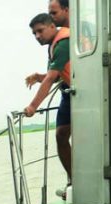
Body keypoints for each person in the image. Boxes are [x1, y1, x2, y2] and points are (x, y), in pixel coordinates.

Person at [24, 3, 72, 181]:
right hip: (69, 90)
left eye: (40, 31)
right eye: (34, 33)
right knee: (61, 135)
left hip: (84, 91)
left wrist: (32, 107)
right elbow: (56, 74)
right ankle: (73, 179)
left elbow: (51, 78)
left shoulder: (63, 43)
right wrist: (39, 77)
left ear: (52, 25)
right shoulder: (53, 45)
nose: (37, 36)